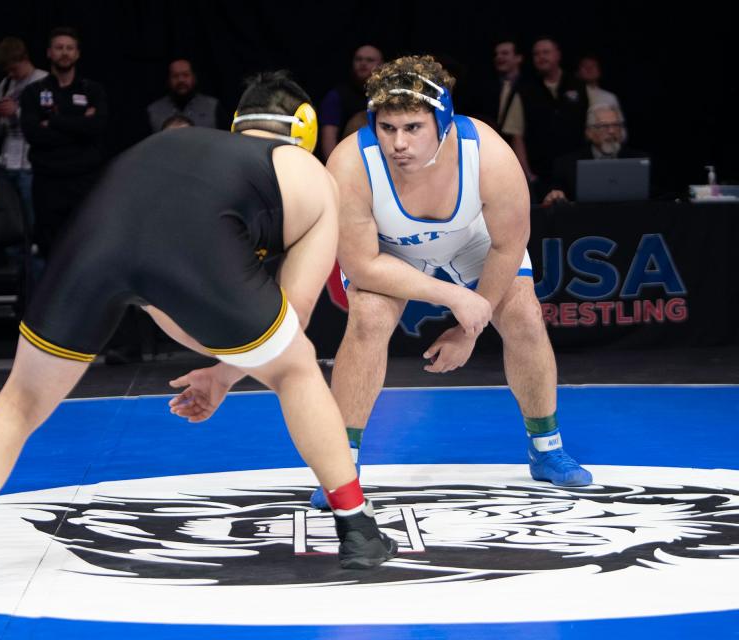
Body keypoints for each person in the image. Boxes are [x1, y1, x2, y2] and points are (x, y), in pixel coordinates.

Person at [0, 71, 397, 600]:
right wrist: (227, 374)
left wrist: (223, 358)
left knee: (19, 400)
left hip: (95, 242)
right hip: (190, 262)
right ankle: (357, 528)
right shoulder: (309, 173)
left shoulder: (177, 142)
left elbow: (151, 281)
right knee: (297, 364)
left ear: (236, 123)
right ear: (302, 128)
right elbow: (290, 318)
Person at [170, 56, 593, 509]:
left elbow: (509, 246)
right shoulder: (352, 161)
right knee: (368, 318)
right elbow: (366, 265)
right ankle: (342, 464)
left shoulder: (487, 153)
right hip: (390, 253)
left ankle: (546, 447)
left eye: (412, 127)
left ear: (444, 121)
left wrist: (470, 326)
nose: (398, 143)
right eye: (387, 128)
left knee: (525, 314)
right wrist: (454, 299)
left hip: (472, 243)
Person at [20, 27, 108, 260]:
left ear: (77, 54)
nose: (64, 53)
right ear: (49, 53)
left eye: (70, 48)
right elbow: (34, 134)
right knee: (50, 251)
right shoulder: (33, 92)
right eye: (59, 48)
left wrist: (54, 121)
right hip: (48, 184)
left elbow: (97, 129)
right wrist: (79, 124)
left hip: (84, 182)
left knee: (86, 246)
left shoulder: (92, 90)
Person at [503, 37, 588, 192]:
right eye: (536, 54)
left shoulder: (578, 85)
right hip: (541, 174)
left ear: (558, 55)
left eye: (546, 52)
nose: (541, 57)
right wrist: (527, 174)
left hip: (576, 170)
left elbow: (592, 125)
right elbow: (516, 134)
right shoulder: (525, 89)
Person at [0, 37, 48, 233]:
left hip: (30, 166)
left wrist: (17, 111)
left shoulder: (44, 82)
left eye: (14, 69)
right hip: (6, 164)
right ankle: (11, 263)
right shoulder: (5, 84)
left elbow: (47, 125)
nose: (11, 74)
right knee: (8, 224)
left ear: (25, 59)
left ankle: (34, 263)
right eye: (7, 70)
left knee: (32, 223)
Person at [542, 104, 648, 204]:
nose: (611, 131)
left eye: (616, 125)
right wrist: (556, 196)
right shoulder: (567, 165)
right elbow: (556, 197)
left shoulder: (639, 161)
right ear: (589, 132)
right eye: (603, 126)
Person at [319, 45, 384, 160]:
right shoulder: (336, 96)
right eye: (359, 59)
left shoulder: (389, 96)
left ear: (382, 65)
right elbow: (328, 140)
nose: (363, 63)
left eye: (369, 60)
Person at [146, 59, 226, 132]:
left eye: (186, 75)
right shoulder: (153, 111)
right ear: (168, 80)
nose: (181, 80)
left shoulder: (213, 106)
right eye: (175, 76)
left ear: (194, 77)